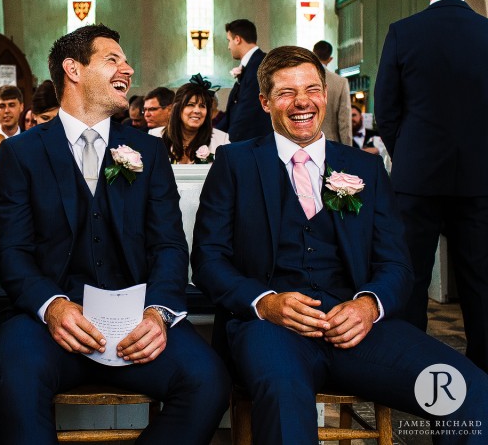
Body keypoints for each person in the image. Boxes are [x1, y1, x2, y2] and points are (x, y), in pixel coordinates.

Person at [192, 45, 488, 444]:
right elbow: (209, 260)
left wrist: (368, 306)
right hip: (269, 330)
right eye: (285, 93)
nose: (302, 102)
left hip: (359, 331)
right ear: (264, 102)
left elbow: (397, 264)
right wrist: (265, 301)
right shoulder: (235, 163)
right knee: (283, 395)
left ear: (325, 95)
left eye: (312, 89)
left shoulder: (364, 168)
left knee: (468, 389)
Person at [0, 24, 229, 445]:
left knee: (208, 382)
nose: (128, 69)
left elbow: (169, 244)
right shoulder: (21, 153)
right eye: (113, 60)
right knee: (14, 378)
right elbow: (12, 251)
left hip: (135, 318)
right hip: (47, 320)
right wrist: (54, 307)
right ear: (73, 70)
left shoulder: (148, 152)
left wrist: (158, 312)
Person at [375, 0, 488, 371]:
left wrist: (410, 154)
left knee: (411, 275)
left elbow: (386, 107)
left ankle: (410, 367)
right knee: (480, 279)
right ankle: (482, 371)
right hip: (479, 177)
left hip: (417, 178)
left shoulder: (404, 32)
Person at [149, 77, 229, 164]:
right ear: (178, 108)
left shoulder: (222, 140)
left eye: (202, 106)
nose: (197, 111)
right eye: (190, 105)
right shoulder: (154, 137)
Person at [218, 19, 271, 142]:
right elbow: (234, 110)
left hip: (253, 141)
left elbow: (248, 108)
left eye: (229, 41)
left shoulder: (261, 64)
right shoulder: (250, 64)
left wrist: (229, 141)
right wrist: (213, 135)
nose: (228, 47)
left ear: (237, 39)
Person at [312, 40, 352, 145]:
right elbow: (344, 122)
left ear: (312, 54)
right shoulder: (340, 82)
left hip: (303, 145)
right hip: (330, 144)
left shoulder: (301, 78)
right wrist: (349, 151)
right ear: (330, 59)